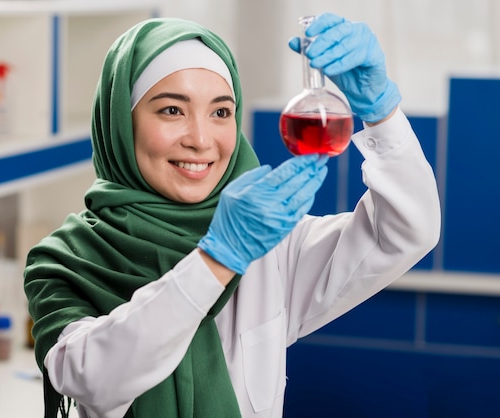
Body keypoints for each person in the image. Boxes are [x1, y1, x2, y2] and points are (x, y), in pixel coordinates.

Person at [24, 13, 441, 418]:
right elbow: (91, 378)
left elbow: (406, 232)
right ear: (120, 122)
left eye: (221, 112)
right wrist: (218, 259)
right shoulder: (64, 261)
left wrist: (382, 111)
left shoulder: (269, 248)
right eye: (172, 110)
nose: (201, 140)